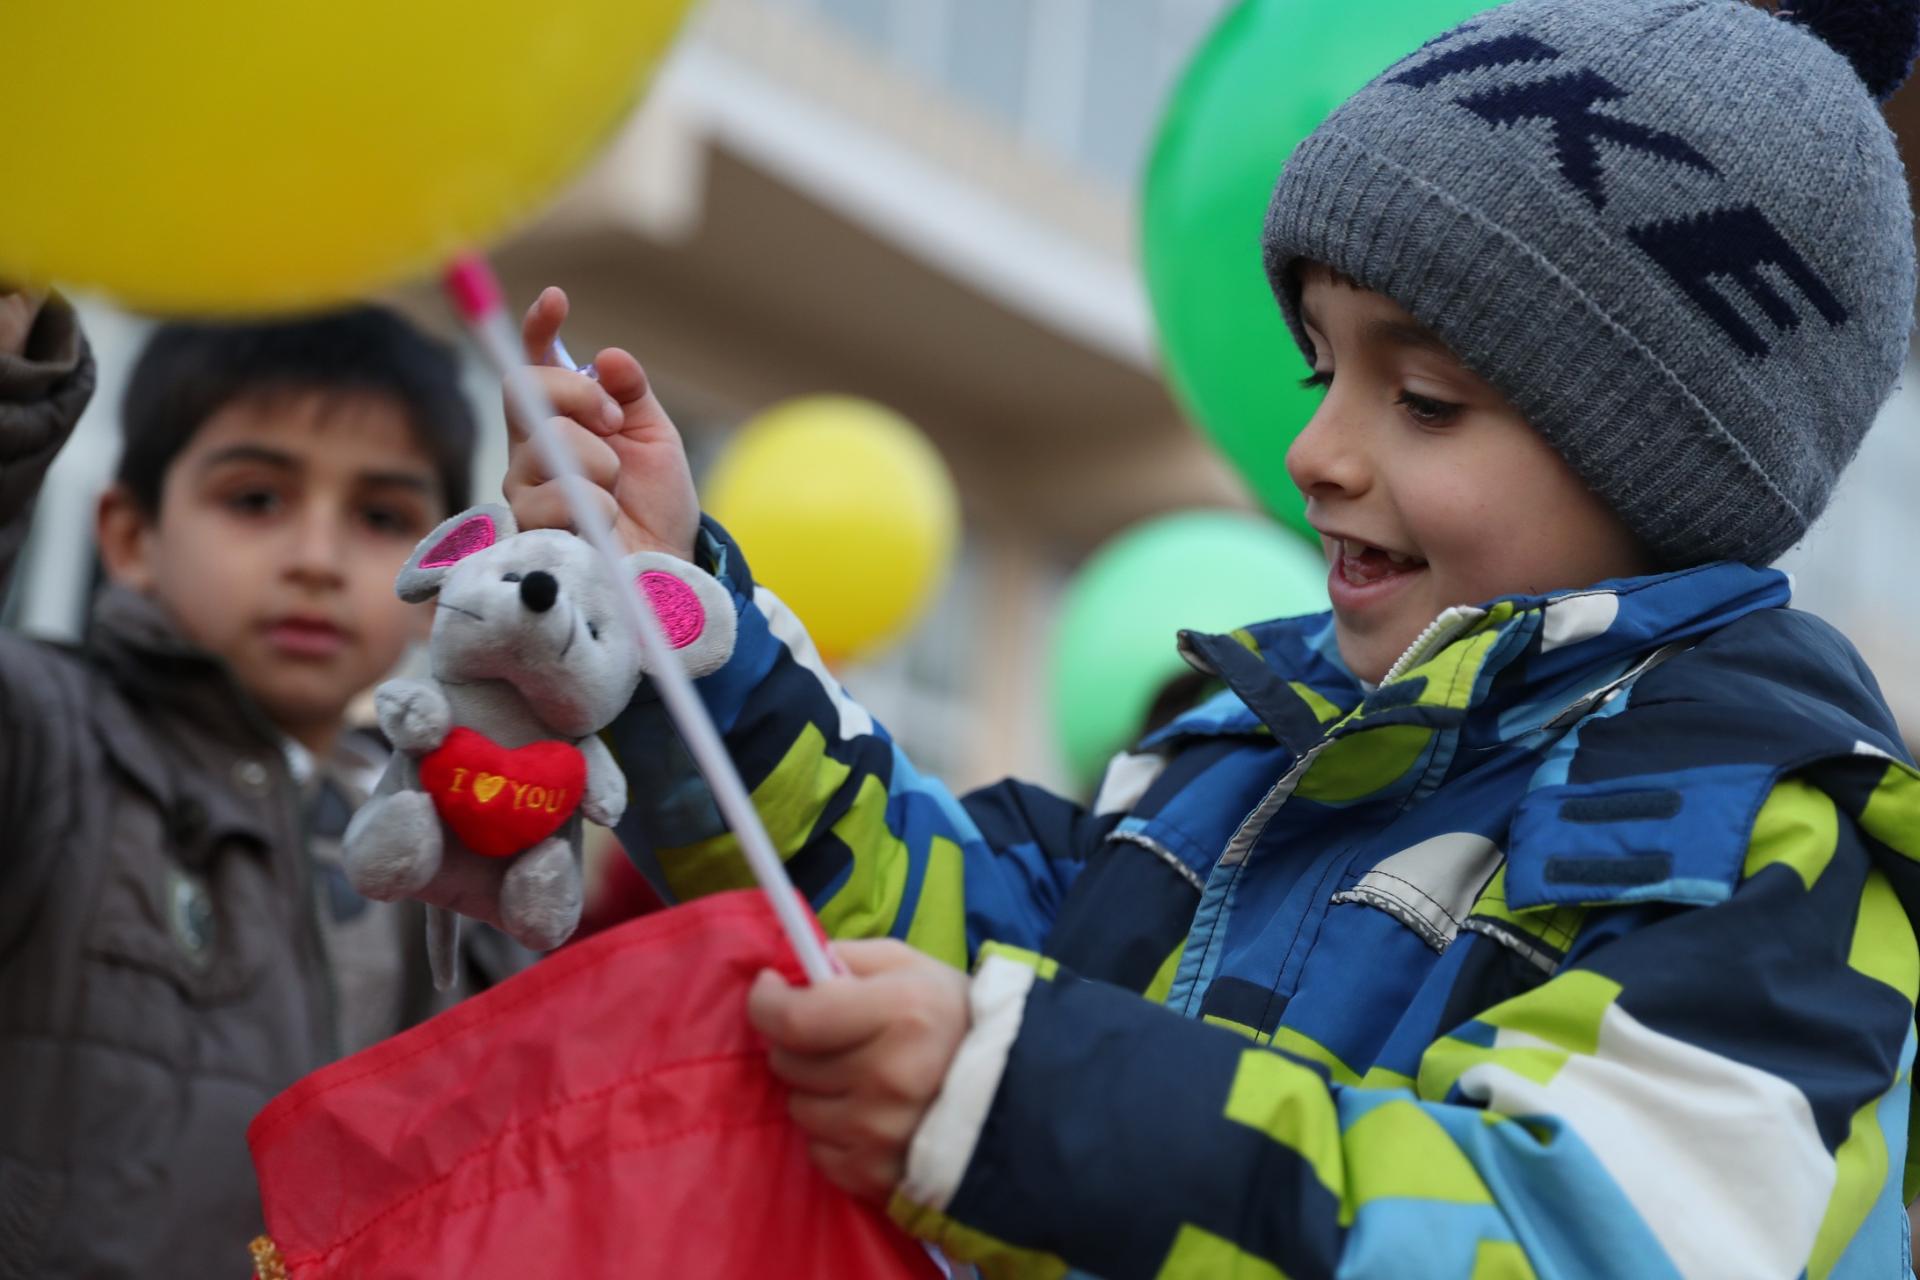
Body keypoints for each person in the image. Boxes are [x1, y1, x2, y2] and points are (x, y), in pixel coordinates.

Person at [482, 0, 1920, 1273]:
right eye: (1321, 370)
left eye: (1422, 399)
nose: (1314, 450)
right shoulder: (1238, 748)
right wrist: (683, 630)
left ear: (1664, 462)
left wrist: (1028, 1106)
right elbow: (955, 927)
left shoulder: (1765, 845)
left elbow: (1563, 1234)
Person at [0, 296, 520, 1277]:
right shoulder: (43, 731)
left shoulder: (447, 836)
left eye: (379, 516)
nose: (316, 559)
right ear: (128, 535)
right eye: (255, 498)